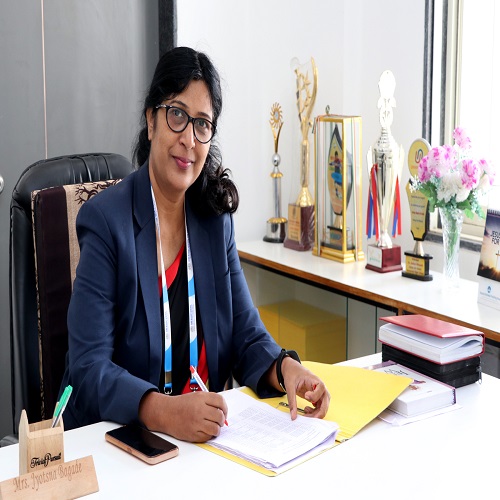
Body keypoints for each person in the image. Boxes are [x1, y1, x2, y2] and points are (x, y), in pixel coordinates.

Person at [58, 46, 330, 443]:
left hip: (205, 443)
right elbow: (88, 368)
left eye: (202, 124)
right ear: (151, 120)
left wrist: (286, 368)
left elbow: (245, 333)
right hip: (122, 441)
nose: (189, 138)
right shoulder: (106, 221)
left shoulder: (214, 219)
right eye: (177, 115)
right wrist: (165, 412)